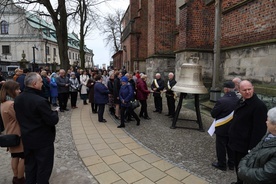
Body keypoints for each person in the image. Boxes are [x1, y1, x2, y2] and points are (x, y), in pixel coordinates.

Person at [14, 72, 59, 184]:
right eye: (40, 82)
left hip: (27, 138)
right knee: (44, 169)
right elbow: (52, 120)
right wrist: (55, 113)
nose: (42, 84)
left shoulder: (18, 99)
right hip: (42, 141)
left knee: (30, 168)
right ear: (34, 84)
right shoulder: (40, 101)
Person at [229, 80, 267, 184]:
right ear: (239, 91)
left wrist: (252, 150)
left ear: (253, 89)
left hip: (245, 146)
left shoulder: (259, 106)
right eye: (244, 90)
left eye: (249, 89)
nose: (247, 92)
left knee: (244, 169)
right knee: (238, 167)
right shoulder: (241, 101)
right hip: (236, 142)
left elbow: (259, 131)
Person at [238, 107, 276, 184]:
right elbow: (253, 151)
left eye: (268, 120)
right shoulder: (269, 135)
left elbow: (264, 175)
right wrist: (243, 164)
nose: (266, 122)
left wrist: (243, 171)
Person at [0, 81, 25, 184]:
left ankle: (15, 177)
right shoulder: (11, 104)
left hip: (10, 132)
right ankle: (20, 179)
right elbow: (20, 118)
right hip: (18, 133)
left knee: (15, 156)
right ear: (11, 91)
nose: (19, 91)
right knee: (24, 157)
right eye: (17, 89)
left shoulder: (4, 103)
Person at [210, 81, 239, 171]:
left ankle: (222, 164)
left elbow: (213, 114)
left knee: (221, 146)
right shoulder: (239, 100)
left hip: (222, 128)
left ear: (226, 89)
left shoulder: (221, 101)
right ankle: (231, 164)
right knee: (231, 146)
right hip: (233, 128)